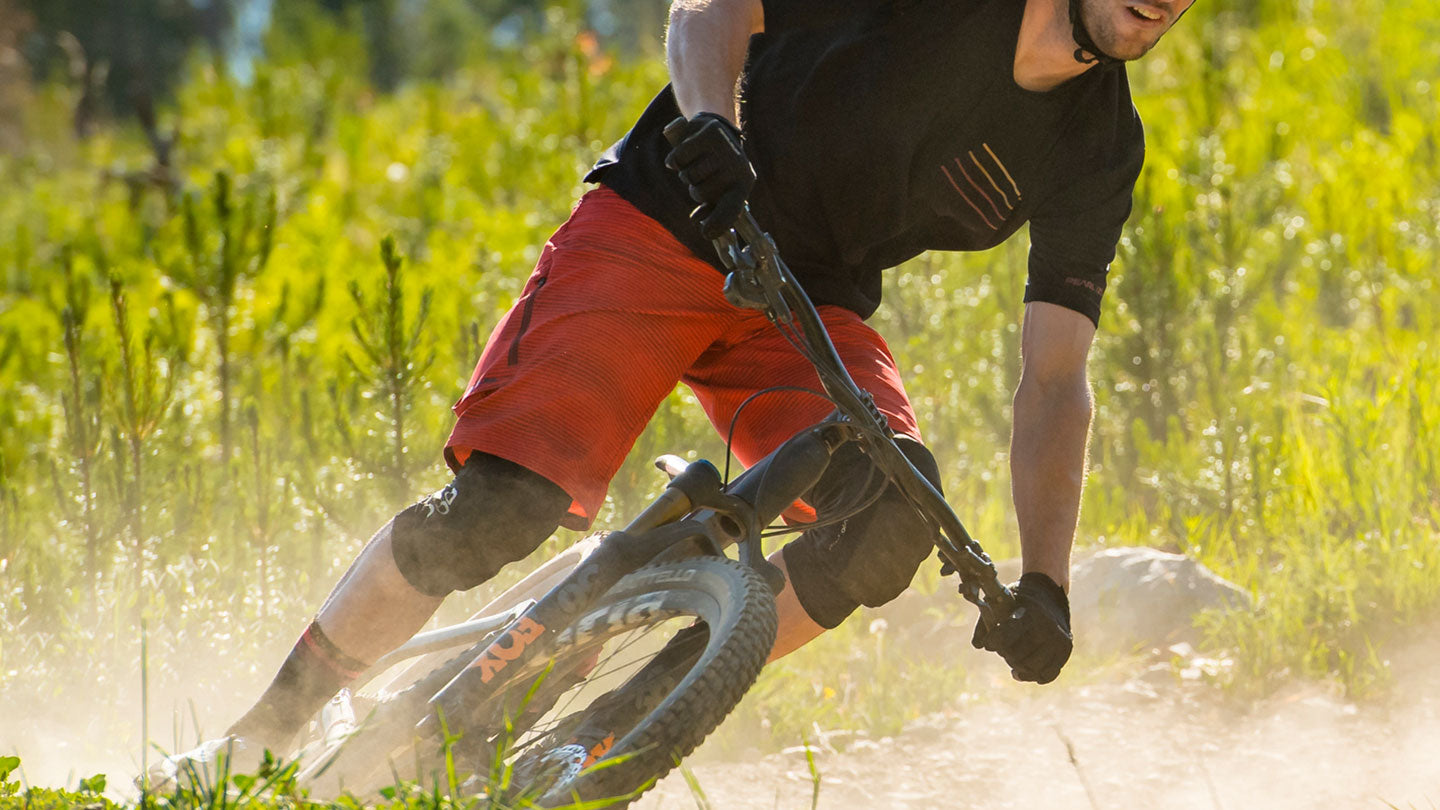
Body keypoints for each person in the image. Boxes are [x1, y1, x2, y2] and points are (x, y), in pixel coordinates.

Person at [157, 0, 1195, 777]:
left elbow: (1055, 379)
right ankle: (258, 742)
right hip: (668, 219)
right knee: (497, 511)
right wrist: (711, 128)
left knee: (888, 519)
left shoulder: (1098, 144)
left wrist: (1048, 585)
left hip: (799, 303)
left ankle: (570, 753)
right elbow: (715, 8)